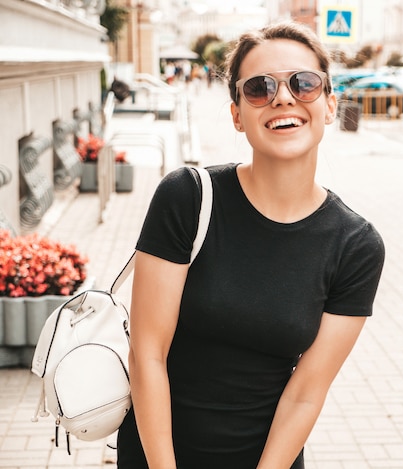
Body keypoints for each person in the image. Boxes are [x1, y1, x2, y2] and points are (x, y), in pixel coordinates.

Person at [116, 21, 385, 469]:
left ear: (330, 105)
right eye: (259, 88)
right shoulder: (188, 197)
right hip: (157, 453)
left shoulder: (355, 246)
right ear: (237, 114)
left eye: (304, 83)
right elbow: (148, 355)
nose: (283, 97)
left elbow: (306, 392)